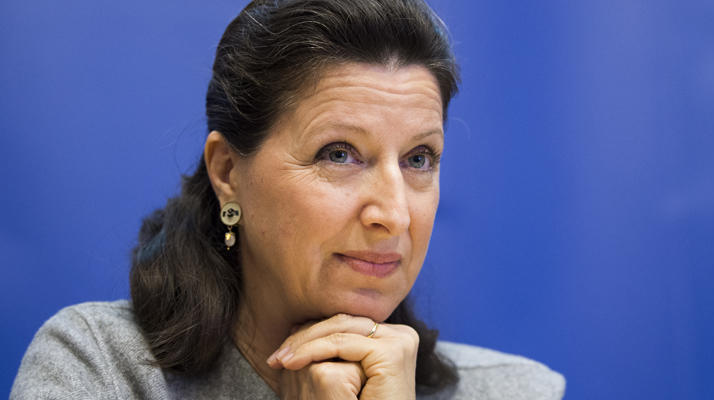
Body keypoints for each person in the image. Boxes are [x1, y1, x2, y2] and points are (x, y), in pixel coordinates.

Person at [11, 0, 565, 398]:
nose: (395, 214)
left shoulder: (519, 391)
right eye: (339, 154)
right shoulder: (101, 369)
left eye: (419, 159)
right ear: (227, 171)